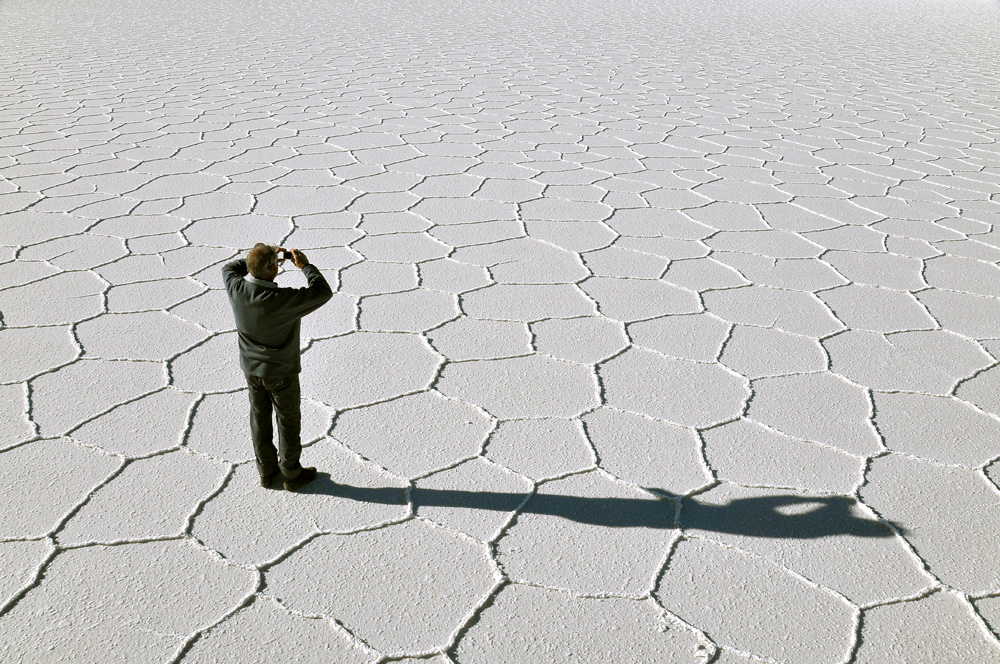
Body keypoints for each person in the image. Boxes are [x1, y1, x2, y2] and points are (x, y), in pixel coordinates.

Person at [222, 243, 333, 491]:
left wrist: (257, 259)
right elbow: (322, 292)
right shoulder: (282, 300)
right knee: (288, 422)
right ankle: (292, 475)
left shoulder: (236, 288)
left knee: (260, 421)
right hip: (281, 374)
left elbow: (229, 268)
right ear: (273, 268)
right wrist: (304, 265)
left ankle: (266, 472)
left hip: (251, 371)